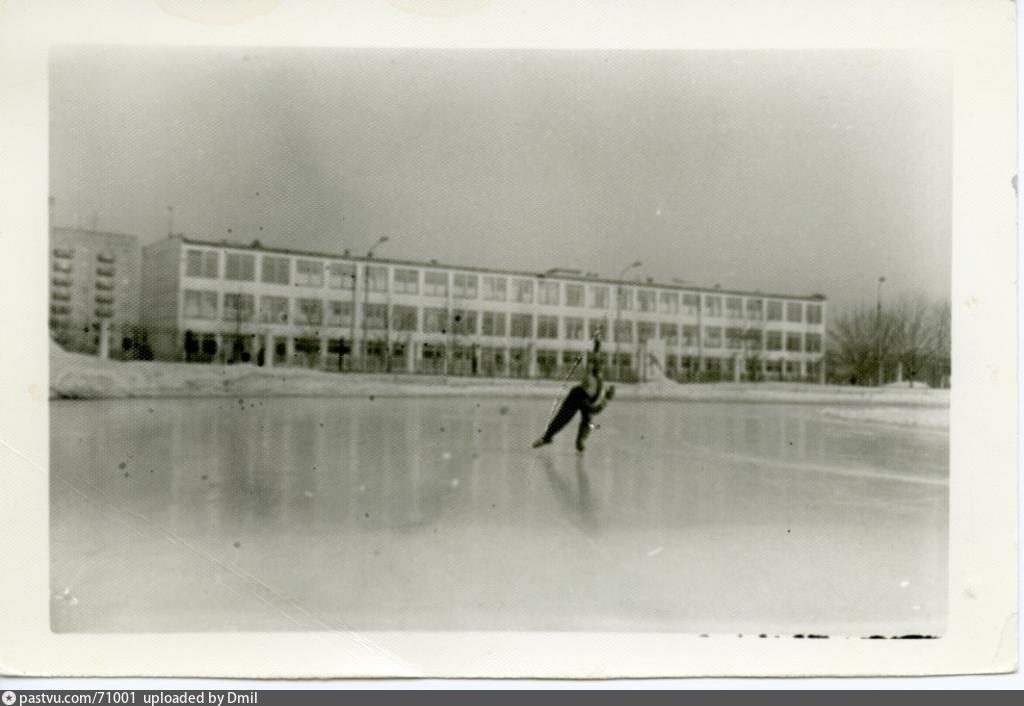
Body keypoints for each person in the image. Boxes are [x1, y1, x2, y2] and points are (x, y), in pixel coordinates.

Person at [532, 332, 615, 453]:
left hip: (584, 395)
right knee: (564, 418)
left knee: (585, 420)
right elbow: (594, 409)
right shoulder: (593, 375)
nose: (599, 367)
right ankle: (548, 438)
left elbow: (595, 409)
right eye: (597, 366)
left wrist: (606, 398)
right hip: (577, 395)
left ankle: (577, 442)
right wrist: (597, 345)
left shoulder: (599, 380)